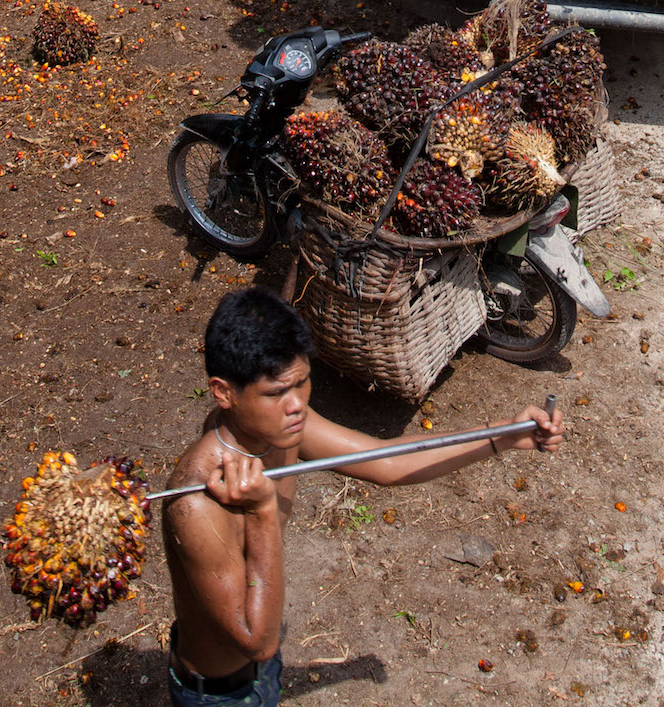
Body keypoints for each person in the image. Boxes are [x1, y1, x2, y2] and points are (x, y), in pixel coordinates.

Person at [159, 289, 562, 705]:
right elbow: (255, 642)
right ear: (223, 393)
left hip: (264, 664)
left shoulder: (274, 428)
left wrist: (501, 435)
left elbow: (386, 463)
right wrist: (261, 512)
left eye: (303, 382)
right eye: (278, 392)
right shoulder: (195, 503)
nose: (297, 404)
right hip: (220, 694)